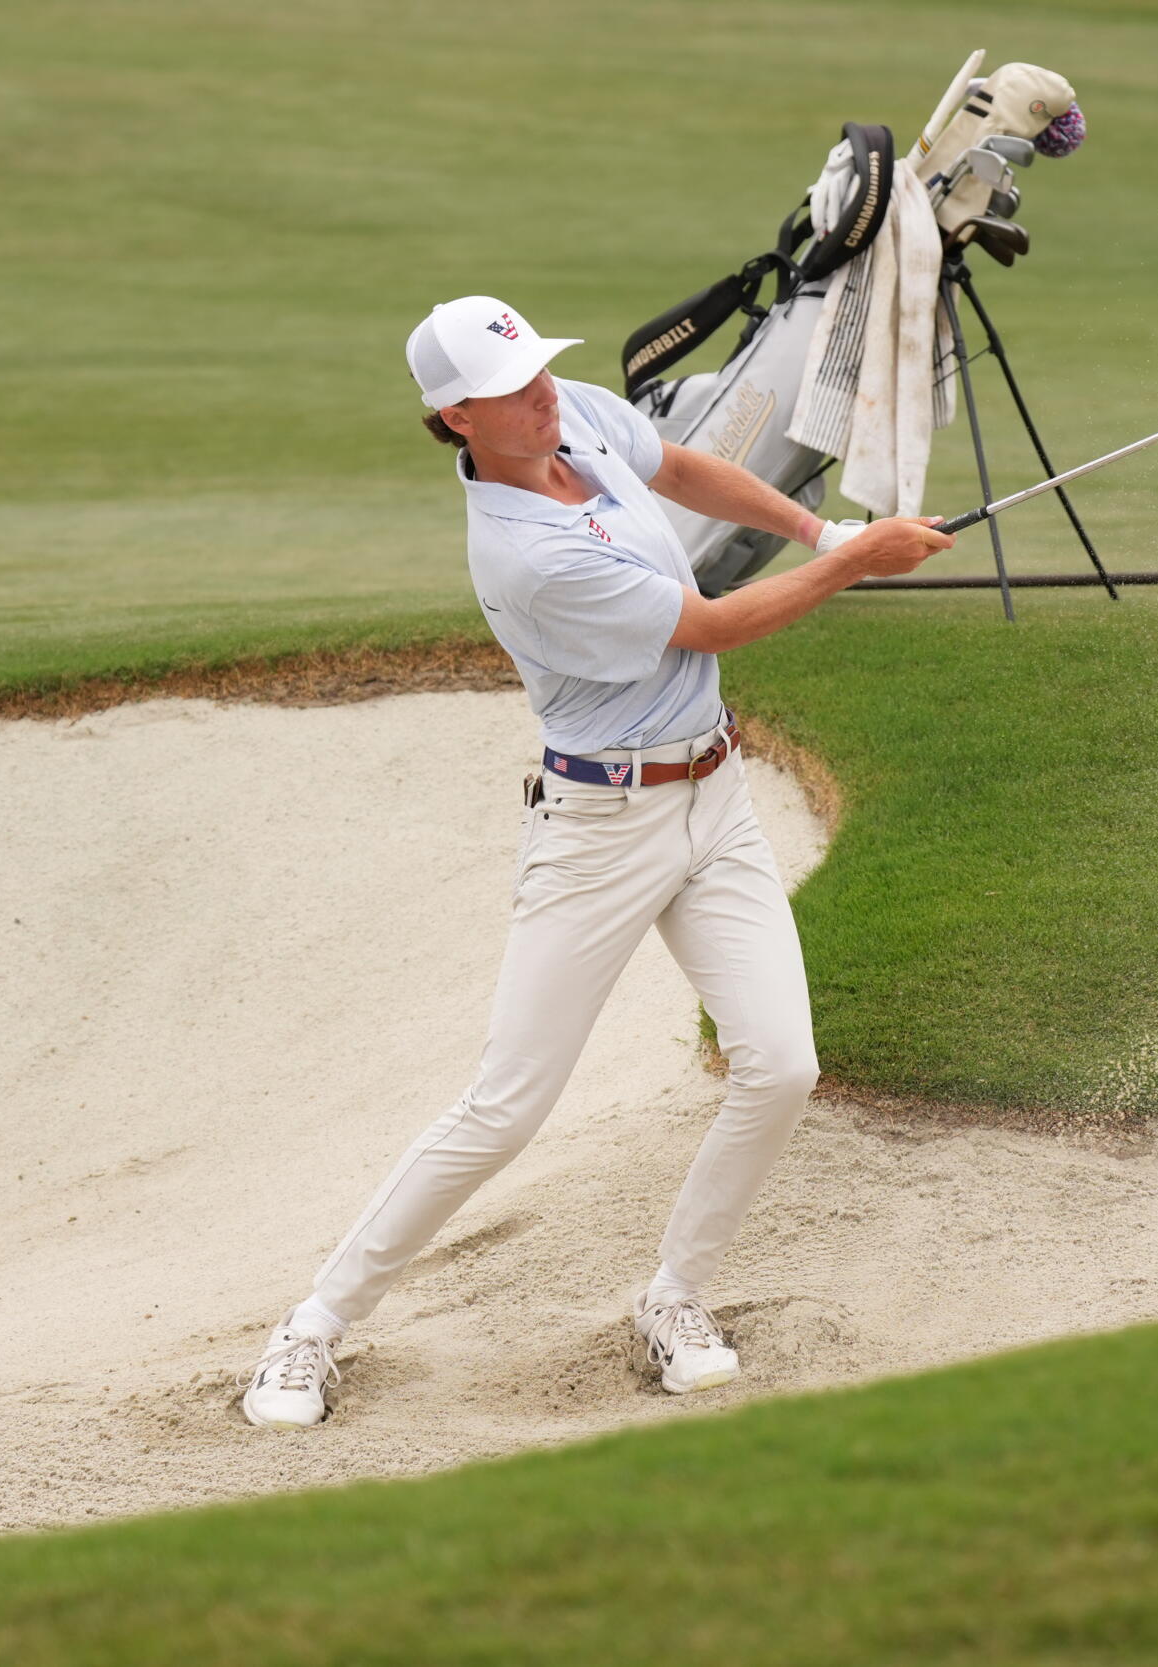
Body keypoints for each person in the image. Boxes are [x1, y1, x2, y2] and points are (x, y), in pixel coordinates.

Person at [241, 295, 950, 1428]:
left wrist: (824, 535)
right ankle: (313, 1326)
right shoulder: (526, 555)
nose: (541, 394)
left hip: (714, 798)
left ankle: (674, 1297)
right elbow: (713, 625)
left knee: (781, 1066)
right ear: (456, 418)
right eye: (511, 388)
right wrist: (859, 562)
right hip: (600, 829)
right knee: (506, 1106)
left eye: (537, 369)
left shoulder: (565, 409)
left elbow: (683, 466)